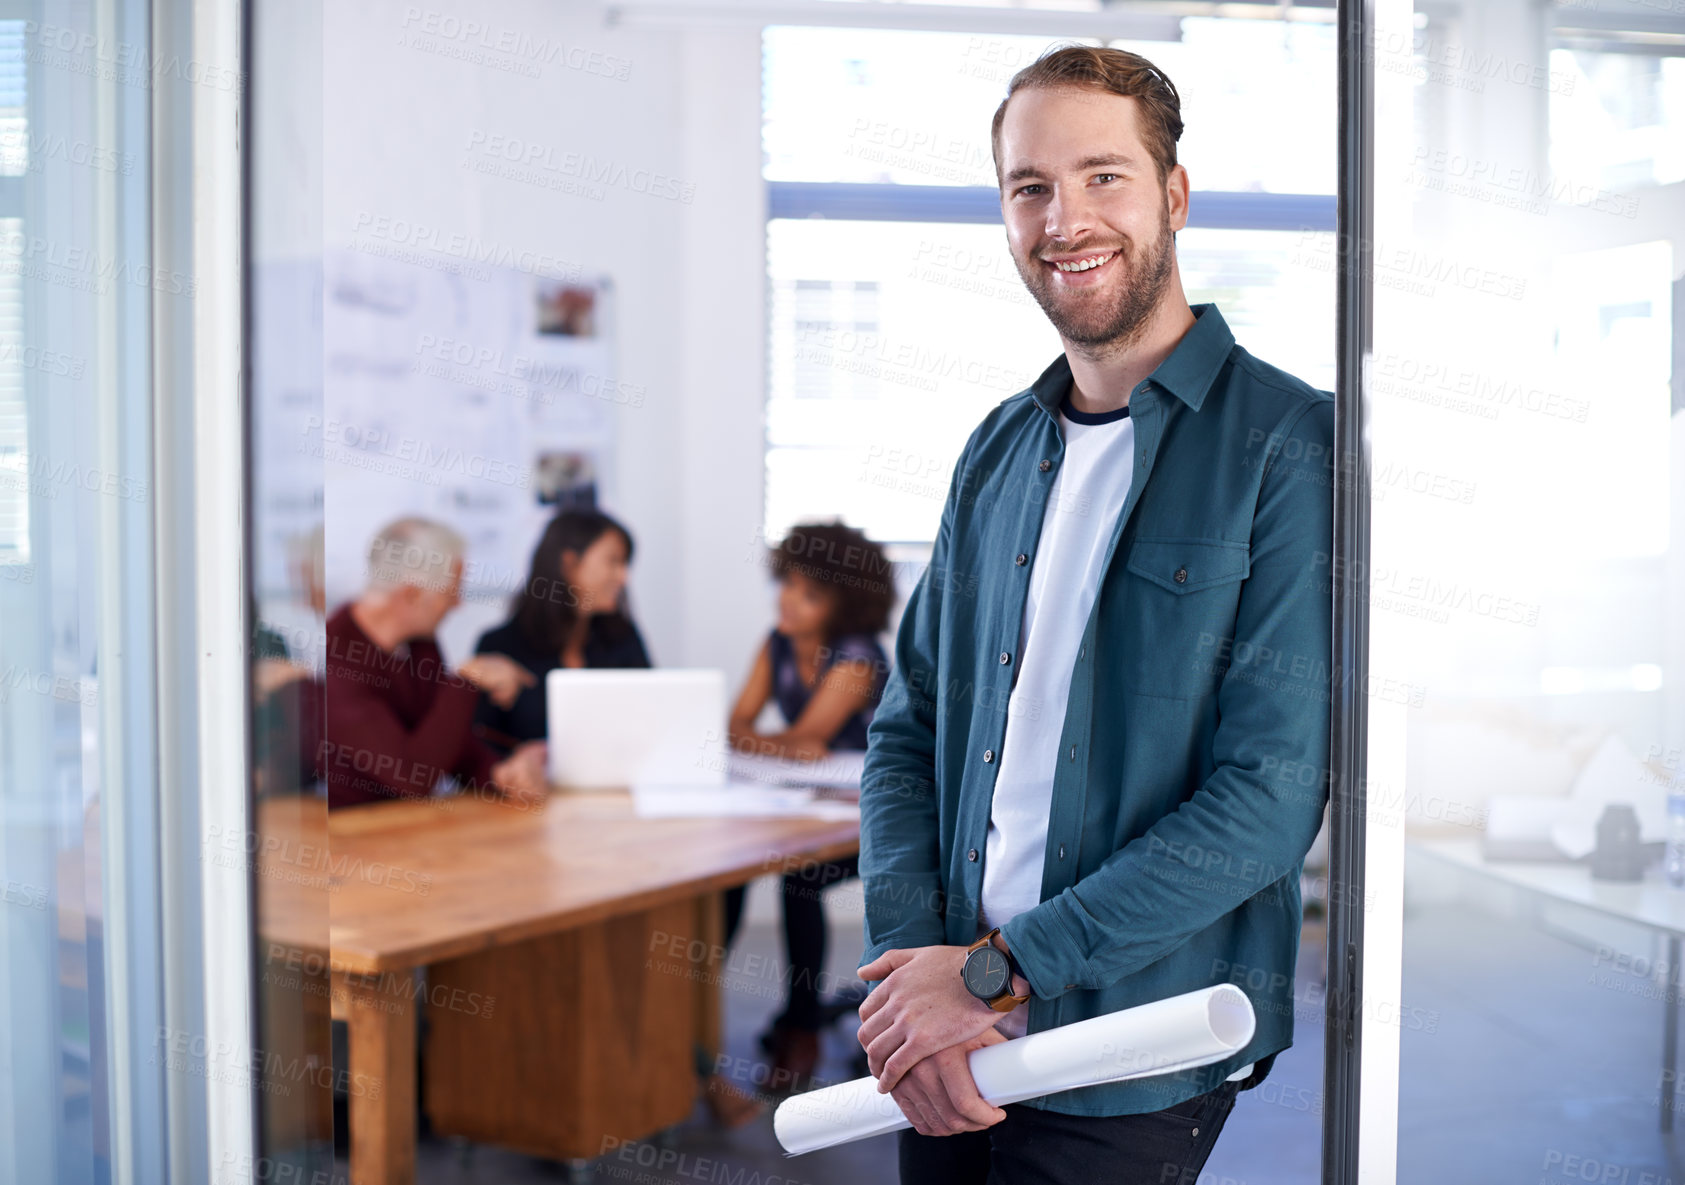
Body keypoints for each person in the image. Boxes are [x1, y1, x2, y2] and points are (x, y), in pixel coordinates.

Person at [855, 44, 1335, 1184]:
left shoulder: (1286, 445)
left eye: (1101, 176)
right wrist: (918, 965)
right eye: (1029, 188)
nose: (1063, 218)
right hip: (949, 1036)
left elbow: (1268, 798)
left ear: (1172, 193)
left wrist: (995, 971)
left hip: (1128, 1046)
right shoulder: (997, 449)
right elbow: (904, 731)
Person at [726, 522, 895, 1089]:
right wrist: (785, 744)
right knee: (730, 869)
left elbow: (801, 740)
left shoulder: (856, 657)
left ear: (842, 606)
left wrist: (777, 742)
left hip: (878, 820)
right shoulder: (776, 642)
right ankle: (690, 1021)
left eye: (809, 594)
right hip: (812, 808)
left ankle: (801, 1030)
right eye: (788, 585)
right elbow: (747, 729)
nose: (788, 601)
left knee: (800, 881)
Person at [322, 516, 548, 810]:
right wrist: (467, 681)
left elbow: (445, 743)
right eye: (452, 590)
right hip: (354, 837)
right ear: (412, 595)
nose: (458, 603)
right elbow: (411, 778)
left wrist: (499, 774)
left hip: (410, 828)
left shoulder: (419, 644)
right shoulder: (337, 656)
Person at [471, 509, 652, 757]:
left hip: (613, 789)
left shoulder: (622, 637)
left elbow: (652, 717)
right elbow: (480, 746)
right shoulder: (500, 645)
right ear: (569, 564)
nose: (623, 578)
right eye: (613, 562)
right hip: (525, 795)